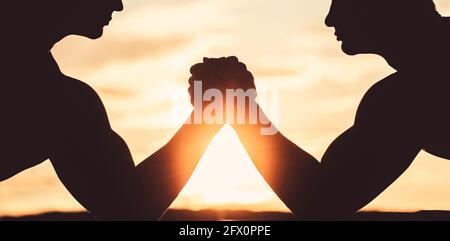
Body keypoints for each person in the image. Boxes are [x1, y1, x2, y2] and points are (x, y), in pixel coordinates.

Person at [190, 0, 450, 219]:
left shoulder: (404, 97)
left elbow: (322, 202)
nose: (329, 19)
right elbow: (325, 198)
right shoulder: (404, 94)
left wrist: (243, 113)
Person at [1, 1, 222, 220]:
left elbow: (126, 207)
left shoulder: (56, 97)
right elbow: (129, 210)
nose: (119, 5)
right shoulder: (60, 102)